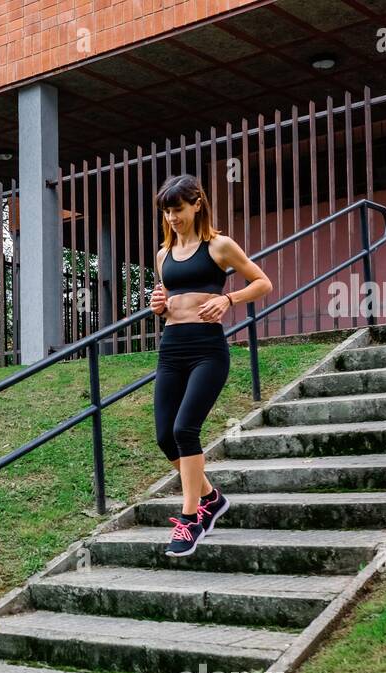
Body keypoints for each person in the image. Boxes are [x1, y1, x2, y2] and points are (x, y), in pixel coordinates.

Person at [149, 174, 272, 557]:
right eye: (167, 212)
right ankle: (212, 498)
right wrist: (159, 306)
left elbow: (262, 282)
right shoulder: (163, 255)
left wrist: (229, 300)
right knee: (165, 437)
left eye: (178, 210)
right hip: (172, 348)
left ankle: (191, 521)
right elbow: (169, 298)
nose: (172, 218)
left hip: (207, 350)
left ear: (197, 204)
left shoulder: (219, 246)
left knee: (186, 429)